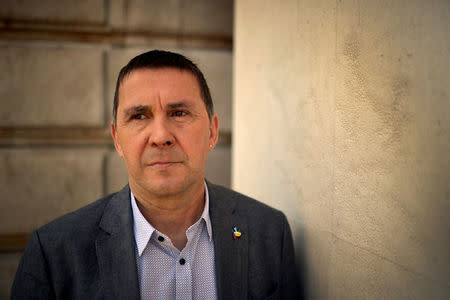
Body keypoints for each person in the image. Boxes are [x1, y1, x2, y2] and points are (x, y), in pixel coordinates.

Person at [11, 50, 300, 299]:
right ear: (117, 139)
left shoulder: (270, 234)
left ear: (212, 132)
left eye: (179, 113)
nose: (161, 136)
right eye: (139, 116)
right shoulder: (54, 255)